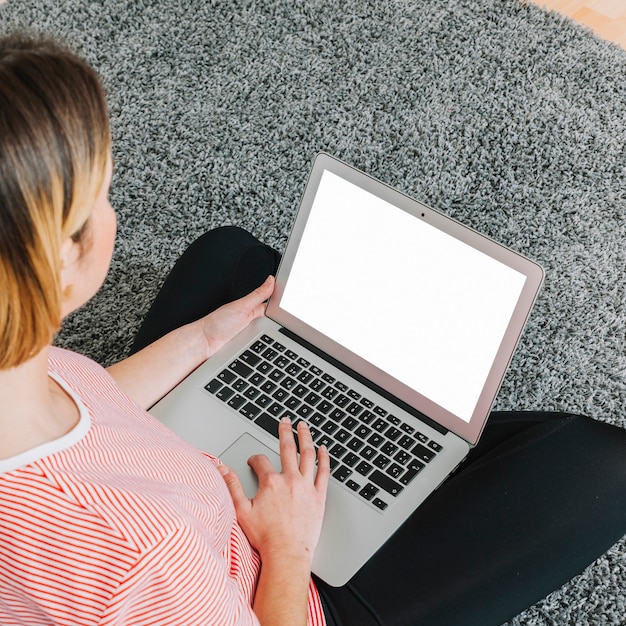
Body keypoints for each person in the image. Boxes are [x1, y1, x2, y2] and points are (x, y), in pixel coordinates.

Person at [0, 33, 624, 626]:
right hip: (286, 588)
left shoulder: (21, 369)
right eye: (104, 197)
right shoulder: (142, 560)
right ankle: (430, 458)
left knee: (231, 255)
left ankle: (423, 448)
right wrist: (289, 545)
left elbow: (88, 403)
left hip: (178, 483)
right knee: (599, 467)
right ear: (58, 256)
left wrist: (205, 341)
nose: (114, 212)